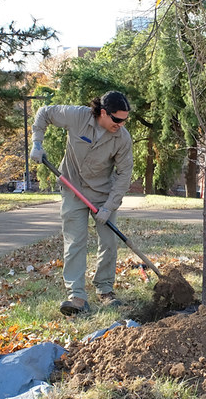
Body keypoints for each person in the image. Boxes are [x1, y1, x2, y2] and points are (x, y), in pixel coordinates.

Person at [29, 91, 133, 316]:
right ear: (103, 113)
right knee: (75, 241)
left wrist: (108, 206)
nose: (121, 124)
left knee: (108, 242)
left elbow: (124, 175)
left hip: (103, 194)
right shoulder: (76, 116)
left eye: (125, 120)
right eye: (117, 119)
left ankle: (105, 290)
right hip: (73, 188)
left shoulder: (122, 138)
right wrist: (37, 143)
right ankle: (76, 296)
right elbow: (44, 113)